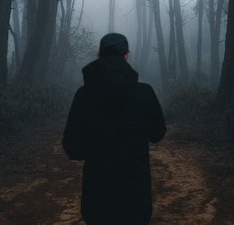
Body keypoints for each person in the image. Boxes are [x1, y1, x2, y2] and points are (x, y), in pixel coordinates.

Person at [62, 32, 166, 225]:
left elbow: (72, 148)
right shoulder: (144, 93)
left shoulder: (83, 95)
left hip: (97, 196)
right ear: (127, 55)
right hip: (136, 196)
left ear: (98, 56)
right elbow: (158, 134)